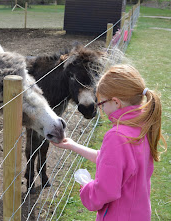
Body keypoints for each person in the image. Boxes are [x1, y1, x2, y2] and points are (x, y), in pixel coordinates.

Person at [51, 64, 167, 220]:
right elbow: (114, 161)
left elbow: (106, 190)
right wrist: (72, 145)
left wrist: (86, 188)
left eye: (102, 104)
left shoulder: (117, 136)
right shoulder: (143, 126)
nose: (101, 109)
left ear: (116, 102)